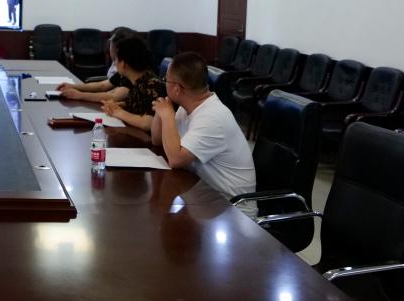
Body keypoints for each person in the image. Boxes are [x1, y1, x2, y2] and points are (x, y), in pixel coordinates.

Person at [150, 52, 256, 201]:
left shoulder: (212, 117)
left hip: (231, 206)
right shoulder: (188, 106)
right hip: (203, 195)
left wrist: (167, 116)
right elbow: (157, 141)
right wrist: (162, 110)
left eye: (165, 80)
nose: (164, 83)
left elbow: (175, 159)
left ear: (177, 89)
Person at [99, 35, 165, 135]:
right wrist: (116, 106)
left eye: (116, 59)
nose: (115, 63)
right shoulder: (138, 81)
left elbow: (148, 123)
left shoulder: (152, 84)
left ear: (123, 63)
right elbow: (133, 105)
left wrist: (118, 112)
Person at [57, 28, 136, 103]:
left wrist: (79, 95)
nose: (109, 48)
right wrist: (73, 86)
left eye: (110, 45)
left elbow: (114, 96)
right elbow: (102, 86)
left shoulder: (130, 71)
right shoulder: (125, 68)